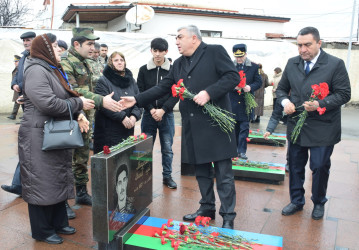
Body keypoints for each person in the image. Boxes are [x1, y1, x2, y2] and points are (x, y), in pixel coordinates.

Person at [120, 25, 239, 229]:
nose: (176, 41)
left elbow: (232, 77)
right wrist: (136, 99)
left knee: (223, 173)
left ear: (194, 38)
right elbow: (164, 87)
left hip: (216, 125)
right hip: (193, 125)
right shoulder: (179, 64)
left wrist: (209, 93)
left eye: (179, 37)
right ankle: (207, 207)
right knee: (201, 171)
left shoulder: (214, 51)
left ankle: (228, 215)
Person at [19, 33, 93, 244]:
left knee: (56, 178)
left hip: (51, 132)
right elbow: (48, 104)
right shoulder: (35, 70)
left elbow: (64, 96)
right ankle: (42, 230)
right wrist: (78, 104)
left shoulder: (50, 69)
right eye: (54, 46)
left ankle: (58, 222)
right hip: (37, 134)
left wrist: (76, 108)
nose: (60, 49)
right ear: (45, 50)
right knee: (41, 181)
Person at [276, 27, 351, 220]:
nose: (302, 50)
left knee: (319, 166)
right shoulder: (292, 63)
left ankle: (319, 201)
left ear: (319, 43)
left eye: (307, 45)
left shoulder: (335, 64)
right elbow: (282, 89)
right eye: (299, 45)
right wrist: (286, 102)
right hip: (296, 126)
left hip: (323, 127)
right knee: (294, 165)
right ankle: (296, 200)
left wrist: (320, 104)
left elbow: (344, 94)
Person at [61, 27, 122, 212]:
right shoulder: (66, 61)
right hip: (69, 117)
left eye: (94, 44)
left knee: (81, 157)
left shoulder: (84, 61)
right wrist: (101, 100)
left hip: (85, 117)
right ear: (76, 44)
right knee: (65, 160)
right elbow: (72, 90)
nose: (93, 47)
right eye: (89, 44)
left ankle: (81, 192)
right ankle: (62, 201)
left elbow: (91, 86)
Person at [137, 38, 178, 189]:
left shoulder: (173, 70)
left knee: (167, 148)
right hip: (149, 115)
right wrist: (151, 109)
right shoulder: (143, 70)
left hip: (166, 114)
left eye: (161, 51)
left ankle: (167, 176)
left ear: (166, 51)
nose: (158, 54)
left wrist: (163, 109)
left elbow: (177, 93)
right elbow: (140, 91)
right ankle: (144, 177)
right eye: (155, 50)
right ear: (151, 50)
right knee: (145, 148)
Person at [1, 31, 36, 196]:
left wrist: (27, 93)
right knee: (26, 147)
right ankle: (18, 185)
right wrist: (14, 85)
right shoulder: (23, 57)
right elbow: (17, 75)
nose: (25, 43)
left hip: (38, 107)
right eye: (24, 41)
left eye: (28, 40)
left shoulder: (40, 57)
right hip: (27, 106)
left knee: (35, 149)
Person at [93, 51, 142, 154]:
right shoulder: (103, 81)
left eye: (121, 60)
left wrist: (134, 117)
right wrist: (122, 117)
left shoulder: (131, 80)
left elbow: (138, 100)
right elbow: (103, 105)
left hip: (128, 127)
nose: (119, 62)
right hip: (108, 130)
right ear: (110, 63)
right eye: (116, 60)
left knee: (125, 159)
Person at [229, 44, 262, 160]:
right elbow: (225, 81)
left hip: (246, 104)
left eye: (241, 56)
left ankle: (241, 151)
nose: (239, 59)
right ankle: (233, 150)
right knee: (233, 129)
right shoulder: (230, 66)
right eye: (237, 57)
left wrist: (250, 87)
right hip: (232, 102)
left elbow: (259, 82)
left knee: (244, 128)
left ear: (245, 54)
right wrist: (233, 87)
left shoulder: (253, 67)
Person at [109, 164, 136, 231]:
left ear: (127, 181)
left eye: (124, 180)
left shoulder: (132, 207)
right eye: (119, 183)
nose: (122, 188)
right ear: (116, 187)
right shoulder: (112, 215)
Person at [7, 55, 21, 120]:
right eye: (15, 61)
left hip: (20, 87)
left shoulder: (20, 68)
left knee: (23, 102)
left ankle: (14, 115)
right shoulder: (17, 68)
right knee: (17, 101)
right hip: (16, 87)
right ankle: (13, 115)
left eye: (16, 61)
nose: (15, 63)